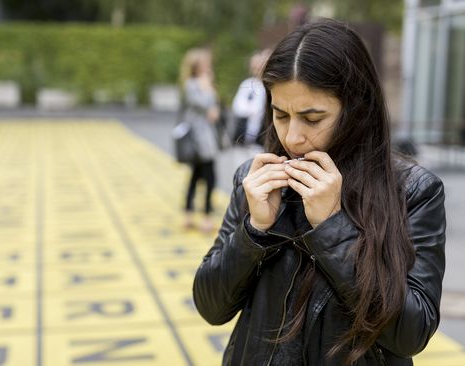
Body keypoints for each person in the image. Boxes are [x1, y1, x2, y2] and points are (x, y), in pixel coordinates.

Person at [193, 19, 445, 365]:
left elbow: (411, 333)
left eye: (312, 119)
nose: (292, 137)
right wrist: (253, 231)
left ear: (356, 109)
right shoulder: (257, 179)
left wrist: (332, 228)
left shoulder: (413, 190)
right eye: (281, 115)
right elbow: (210, 307)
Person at [179, 48, 220, 233]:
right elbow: (205, 104)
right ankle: (201, 216)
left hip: (206, 137)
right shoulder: (193, 84)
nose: (208, 66)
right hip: (198, 138)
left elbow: (214, 107)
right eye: (204, 63)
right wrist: (207, 86)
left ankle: (193, 214)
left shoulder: (203, 83)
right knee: (205, 176)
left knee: (199, 175)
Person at [231, 50, 270, 146]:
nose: (257, 68)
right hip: (248, 134)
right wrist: (254, 110)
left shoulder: (271, 85)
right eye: (254, 66)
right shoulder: (247, 84)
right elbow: (238, 107)